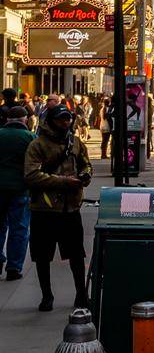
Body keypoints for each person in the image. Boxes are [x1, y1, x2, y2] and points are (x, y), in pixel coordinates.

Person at [24, 102, 92, 312]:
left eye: (68, 118)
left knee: (76, 256)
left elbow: (85, 163)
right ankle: (47, 296)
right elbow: (31, 175)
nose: (66, 122)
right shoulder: (38, 145)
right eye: (61, 119)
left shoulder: (76, 142)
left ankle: (81, 294)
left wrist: (86, 175)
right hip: (44, 209)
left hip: (71, 208)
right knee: (43, 257)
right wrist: (63, 181)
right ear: (51, 121)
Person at [0, 100, 33, 280]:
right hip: (21, 189)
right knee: (19, 229)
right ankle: (14, 268)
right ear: (24, 120)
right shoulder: (30, 138)